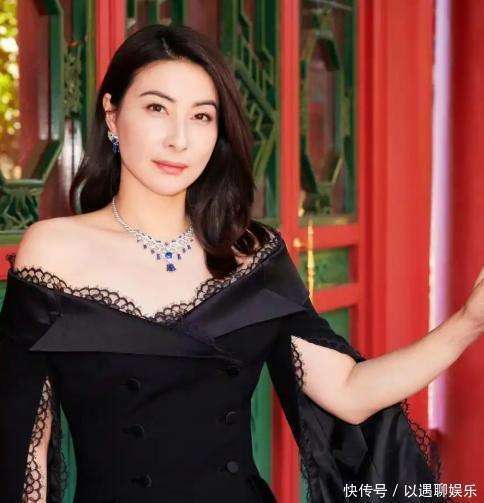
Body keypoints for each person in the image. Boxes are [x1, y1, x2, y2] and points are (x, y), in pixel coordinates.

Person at [0, 23, 482, 503]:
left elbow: (349, 391)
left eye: (201, 116)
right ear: (112, 114)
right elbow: (27, 448)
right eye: (156, 108)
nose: (179, 139)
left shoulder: (252, 254)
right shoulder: (53, 253)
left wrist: (467, 321)